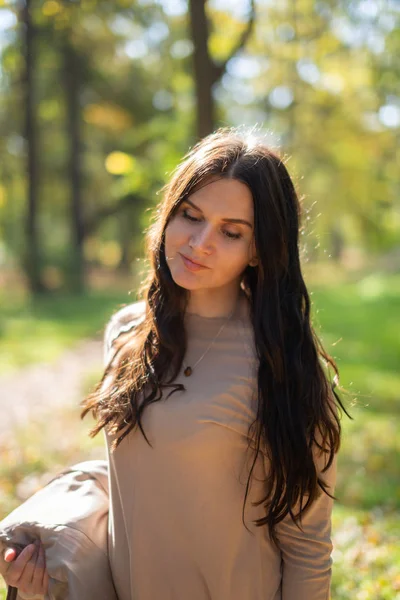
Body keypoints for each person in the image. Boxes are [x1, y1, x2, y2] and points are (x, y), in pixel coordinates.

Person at [2, 126, 348, 599]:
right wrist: (54, 545)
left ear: (259, 251)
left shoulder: (283, 366)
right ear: (169, 214)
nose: (200, 241)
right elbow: (144, 473)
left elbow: (306, 543)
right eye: (191, 215)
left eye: (231, 232)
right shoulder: (127, 332)